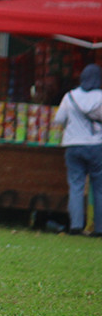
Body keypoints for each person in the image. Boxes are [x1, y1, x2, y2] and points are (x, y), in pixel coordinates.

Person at [52, 63, 102, 236]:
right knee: (99, 189)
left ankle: (75, 225)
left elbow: (58, 120)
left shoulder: (70, 96)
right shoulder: (101, 97)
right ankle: (99, 228)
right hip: (97, 146)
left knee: (76, 186)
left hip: (73, 145)